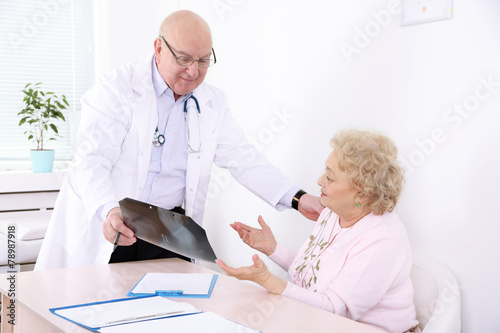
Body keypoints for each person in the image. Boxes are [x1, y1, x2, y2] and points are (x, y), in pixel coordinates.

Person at [35, 10, 322, 270]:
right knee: (98, 314)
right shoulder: (117, 89)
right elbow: (91, 161)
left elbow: (242, 157)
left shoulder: (212, 102)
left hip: (168, 231)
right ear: (158, 48)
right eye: (184, 59)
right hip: (114, 222)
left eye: (203, 60)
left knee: (171, 314)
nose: (194, 71)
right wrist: (107, 211)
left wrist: (297, 198)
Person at [216, 129, 421, 333]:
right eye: (325, 171)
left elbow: (333, 310)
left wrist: (267, 280)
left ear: (362, 194)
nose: (320, 181)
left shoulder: (382, 241)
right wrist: (272, 248)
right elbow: (310, 273)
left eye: (330, 178)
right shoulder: (334, 212)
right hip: (316, 322)